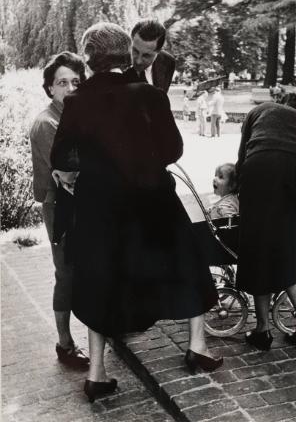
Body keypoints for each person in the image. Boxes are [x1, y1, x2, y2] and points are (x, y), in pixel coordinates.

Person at [50, 22, 222, 403]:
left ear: (90, 60)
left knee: (99, 280)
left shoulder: (78, 102)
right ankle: (198, 348)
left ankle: (96, 374)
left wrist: (96, 164)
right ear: (125, 53)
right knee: (189, 265)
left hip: (100, 208)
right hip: (152, 202)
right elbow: (173, 150)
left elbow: (61, 156)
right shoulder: (149, 95)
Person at [235, 93, 296, 353]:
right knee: (286, 250)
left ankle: (262, 331)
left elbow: (243, 154)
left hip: (263, 166)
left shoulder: (262, 110)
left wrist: (240, 187)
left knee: (258, 250)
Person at [29, 52, 89, 368]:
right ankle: (64, 344)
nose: (70, 88)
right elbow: (72, 174)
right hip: (59, 207)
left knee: (87, 268)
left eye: (76, 82)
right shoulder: (47, 123)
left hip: (80, 204)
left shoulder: (74, 119)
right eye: (62, 82)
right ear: (50, 88)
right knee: (66, 274)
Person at [124, 19, 175, 93]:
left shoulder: (168, 62)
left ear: (158, 51)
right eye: (135, 51)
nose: (138, 61)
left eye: (146, 55)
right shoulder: (117, 64)